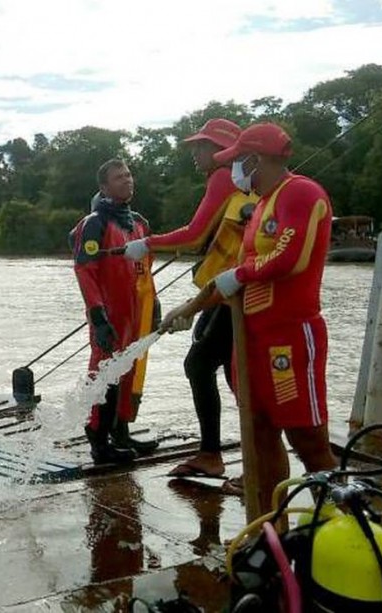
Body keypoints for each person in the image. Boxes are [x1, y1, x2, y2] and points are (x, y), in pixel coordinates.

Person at [161, 123, 337, 513]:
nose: (234, 172)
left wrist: (239, 274)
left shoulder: (302, 193)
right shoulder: (259, 207)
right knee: (259, 432)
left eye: (238, 162)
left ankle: (338, 519)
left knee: (307, 437)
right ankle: (271, 526)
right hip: (252, 336)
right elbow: (232, 279)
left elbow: (291, 258)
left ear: (256, 159)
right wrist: (188, 310)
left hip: (290, 336)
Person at [122, 118, 258, 479]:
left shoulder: (222, 177)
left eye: (201, 146)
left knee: (216, 370)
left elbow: (195, 235)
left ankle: (233, 460)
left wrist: (147, 244)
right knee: (218, 367)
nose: (195, 153)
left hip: (238, 292)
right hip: (229, 290)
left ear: (221, 150)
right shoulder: (237, 181)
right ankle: (224, 455)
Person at [70, 159, 159, 464]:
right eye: (119, 177)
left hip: (136, 311)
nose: (127, 180)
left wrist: (154, 304)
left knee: (130, 372)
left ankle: (121, 432)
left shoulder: (140, 223)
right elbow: (84, 269)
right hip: (108, 312)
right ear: (104, 187)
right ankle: (98, 439)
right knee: (105, 374)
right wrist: (97, 315)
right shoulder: (94, 223)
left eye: (129, 175)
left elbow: (147, 268)